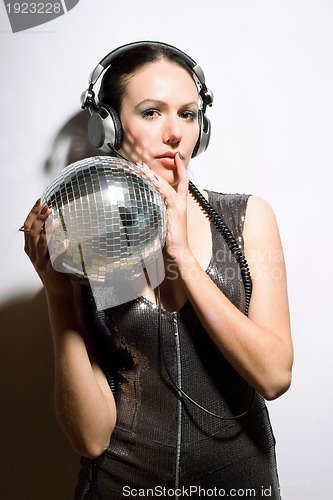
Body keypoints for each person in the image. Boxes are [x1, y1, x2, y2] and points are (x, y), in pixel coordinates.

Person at [22, 42, 293, 499]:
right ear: (107, 126)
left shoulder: (248, 217)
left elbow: (273, 376)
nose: (175, 133)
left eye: (188, 114)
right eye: (151, 112)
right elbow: (90, 437)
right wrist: (56, 294)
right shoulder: (85, 238)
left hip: (239, 485)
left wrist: (182, 256)